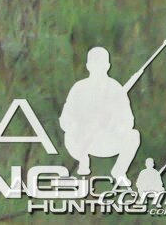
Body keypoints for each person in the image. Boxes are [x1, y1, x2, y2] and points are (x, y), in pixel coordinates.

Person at [60, 48, 140, 184]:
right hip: (83, 141)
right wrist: (75, 126)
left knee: (133, 136)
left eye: (101, 64)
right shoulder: (78, 88)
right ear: (88, 66)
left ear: (108, 66)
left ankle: (119, 171)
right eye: (95, 64)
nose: (98, 68)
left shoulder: (116, 89)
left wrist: (115, 125)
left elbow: (128, 121)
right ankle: (83, 160)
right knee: (69, 136)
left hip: (108, 141)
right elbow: (65, 119)